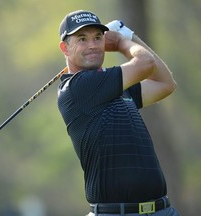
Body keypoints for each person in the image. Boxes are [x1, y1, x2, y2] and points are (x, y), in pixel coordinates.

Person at [57, 10, 179, 216]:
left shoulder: (112, 86)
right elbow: (145, 64)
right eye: (82, 39)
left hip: (162, 210)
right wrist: (123, 42)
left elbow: (165, 83)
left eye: (98, 38)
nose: (93, 45)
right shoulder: (79, 87)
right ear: (65, 48)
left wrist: (129, 36)